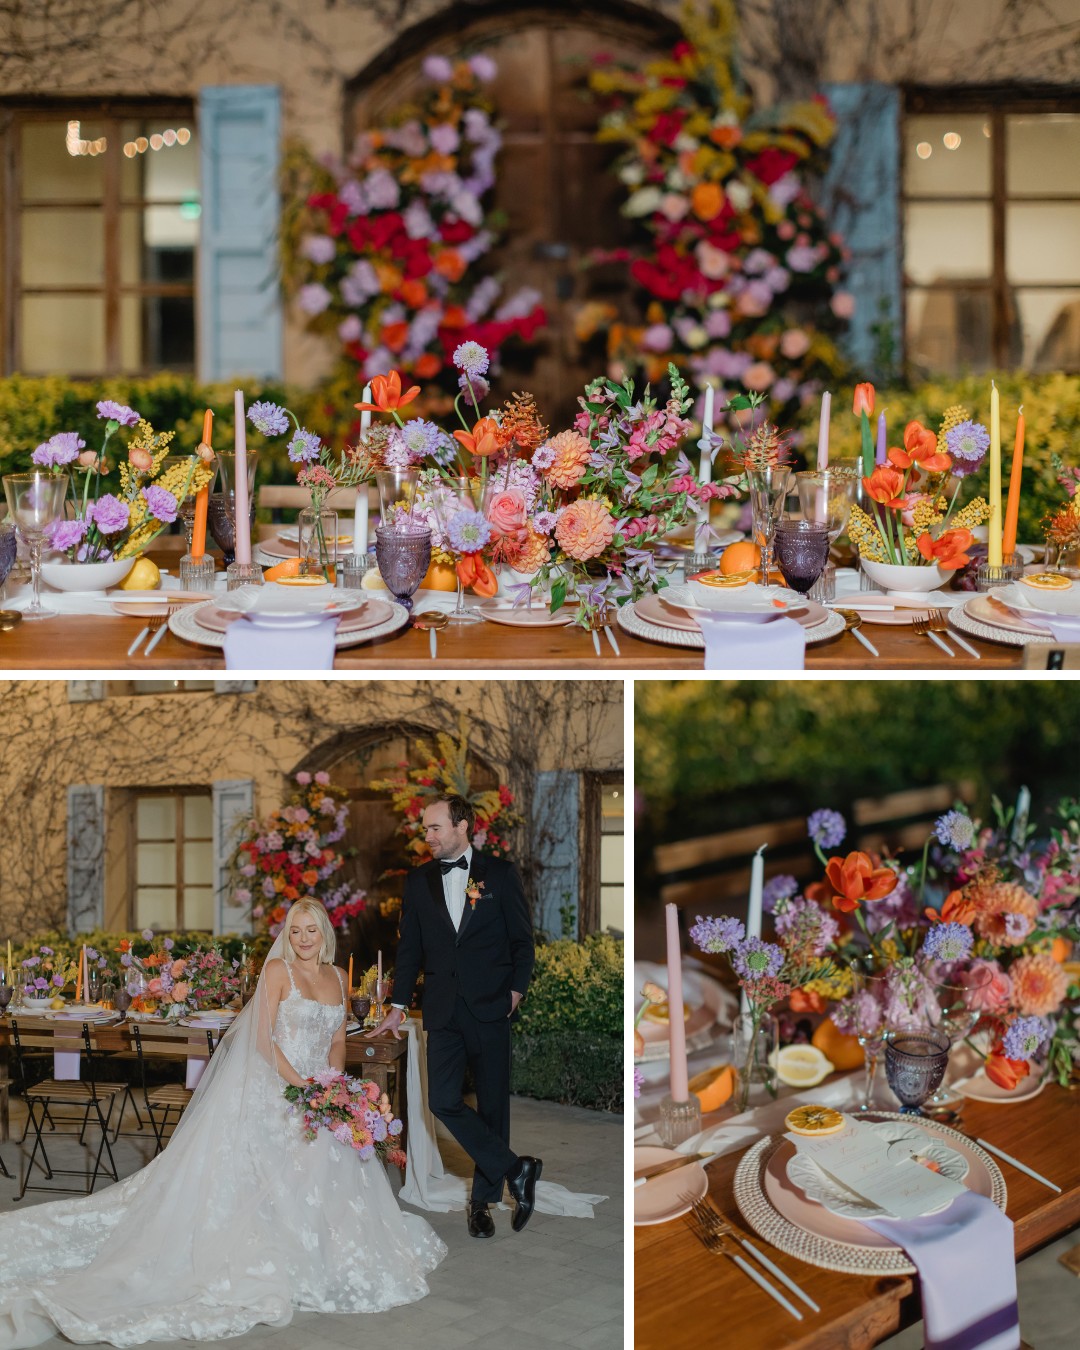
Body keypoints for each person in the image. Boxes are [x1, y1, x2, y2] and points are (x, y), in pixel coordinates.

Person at [0, 898, 446, 1348]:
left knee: (337, 1158)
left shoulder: (336, 977)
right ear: (287, 937)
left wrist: (333, 1088)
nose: (304, 939)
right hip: (277, 1086)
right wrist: (305, 1089)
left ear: (325, 933)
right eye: (296, 931)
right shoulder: (278, 973)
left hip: (320, 1091)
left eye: (311, 930)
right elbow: (261, 1041)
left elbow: (335, 1040)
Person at [368, 794, 541, 1240]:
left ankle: (482, 1203)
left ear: (463, 826)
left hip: (491, 1009)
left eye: (434, 828)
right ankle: (516, 1169)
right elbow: (409, 953)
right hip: (442, 1010)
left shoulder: (499, 875)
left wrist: (515, 993)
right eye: (425, 828)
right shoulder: (418, 881)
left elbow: (523, 943)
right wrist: (398, 1006)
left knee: (493, 1107)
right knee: (441, 1100)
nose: (426, 836)